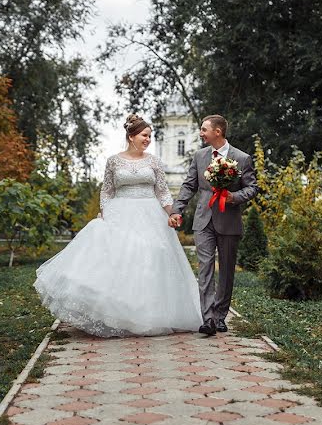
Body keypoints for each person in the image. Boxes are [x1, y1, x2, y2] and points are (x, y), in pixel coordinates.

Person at [34, 114, 203, 337]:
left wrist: (172, 213)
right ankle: (118, 314)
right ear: (131, 136)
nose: (148, 139)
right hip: (119, 212)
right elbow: (107, 190)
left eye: (150, 136)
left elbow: (162, 192)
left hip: (150, 213)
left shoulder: (153, 161)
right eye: (144, 135)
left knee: (151, 258)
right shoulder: (114, 160)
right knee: (121, 262)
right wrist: (105, 215)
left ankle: (148, 314)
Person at [169, 115, 258, 336]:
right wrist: (176, 209)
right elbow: (189, 185)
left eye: (204, 129)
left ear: (217, 132)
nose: (201, 133)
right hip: (203, 220)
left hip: (229, 220)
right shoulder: (200, 156)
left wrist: (233, 197)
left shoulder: (242, 158)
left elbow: (252, 188)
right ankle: (207, 319)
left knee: (226, 271)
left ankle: (220, 317)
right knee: (205, 267)